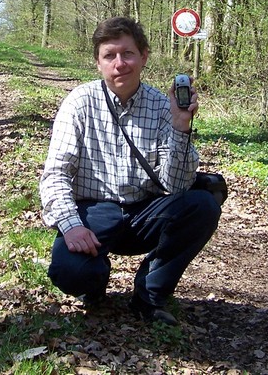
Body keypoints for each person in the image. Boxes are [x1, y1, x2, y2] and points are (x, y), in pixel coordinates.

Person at [39, 16, 222, 326]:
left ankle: (149, 296)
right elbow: (55, 174)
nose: (120, 63)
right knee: (71, 272)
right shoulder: (79, 104)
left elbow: (176, 186)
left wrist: (181, 126)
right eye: (110, 55)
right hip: (94, 211)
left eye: (128, 54)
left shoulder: (164, 106)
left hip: (144, 212)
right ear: (98, 62)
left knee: (202, 204)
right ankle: (93, 284)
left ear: (144, 57)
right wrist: (71, 226)